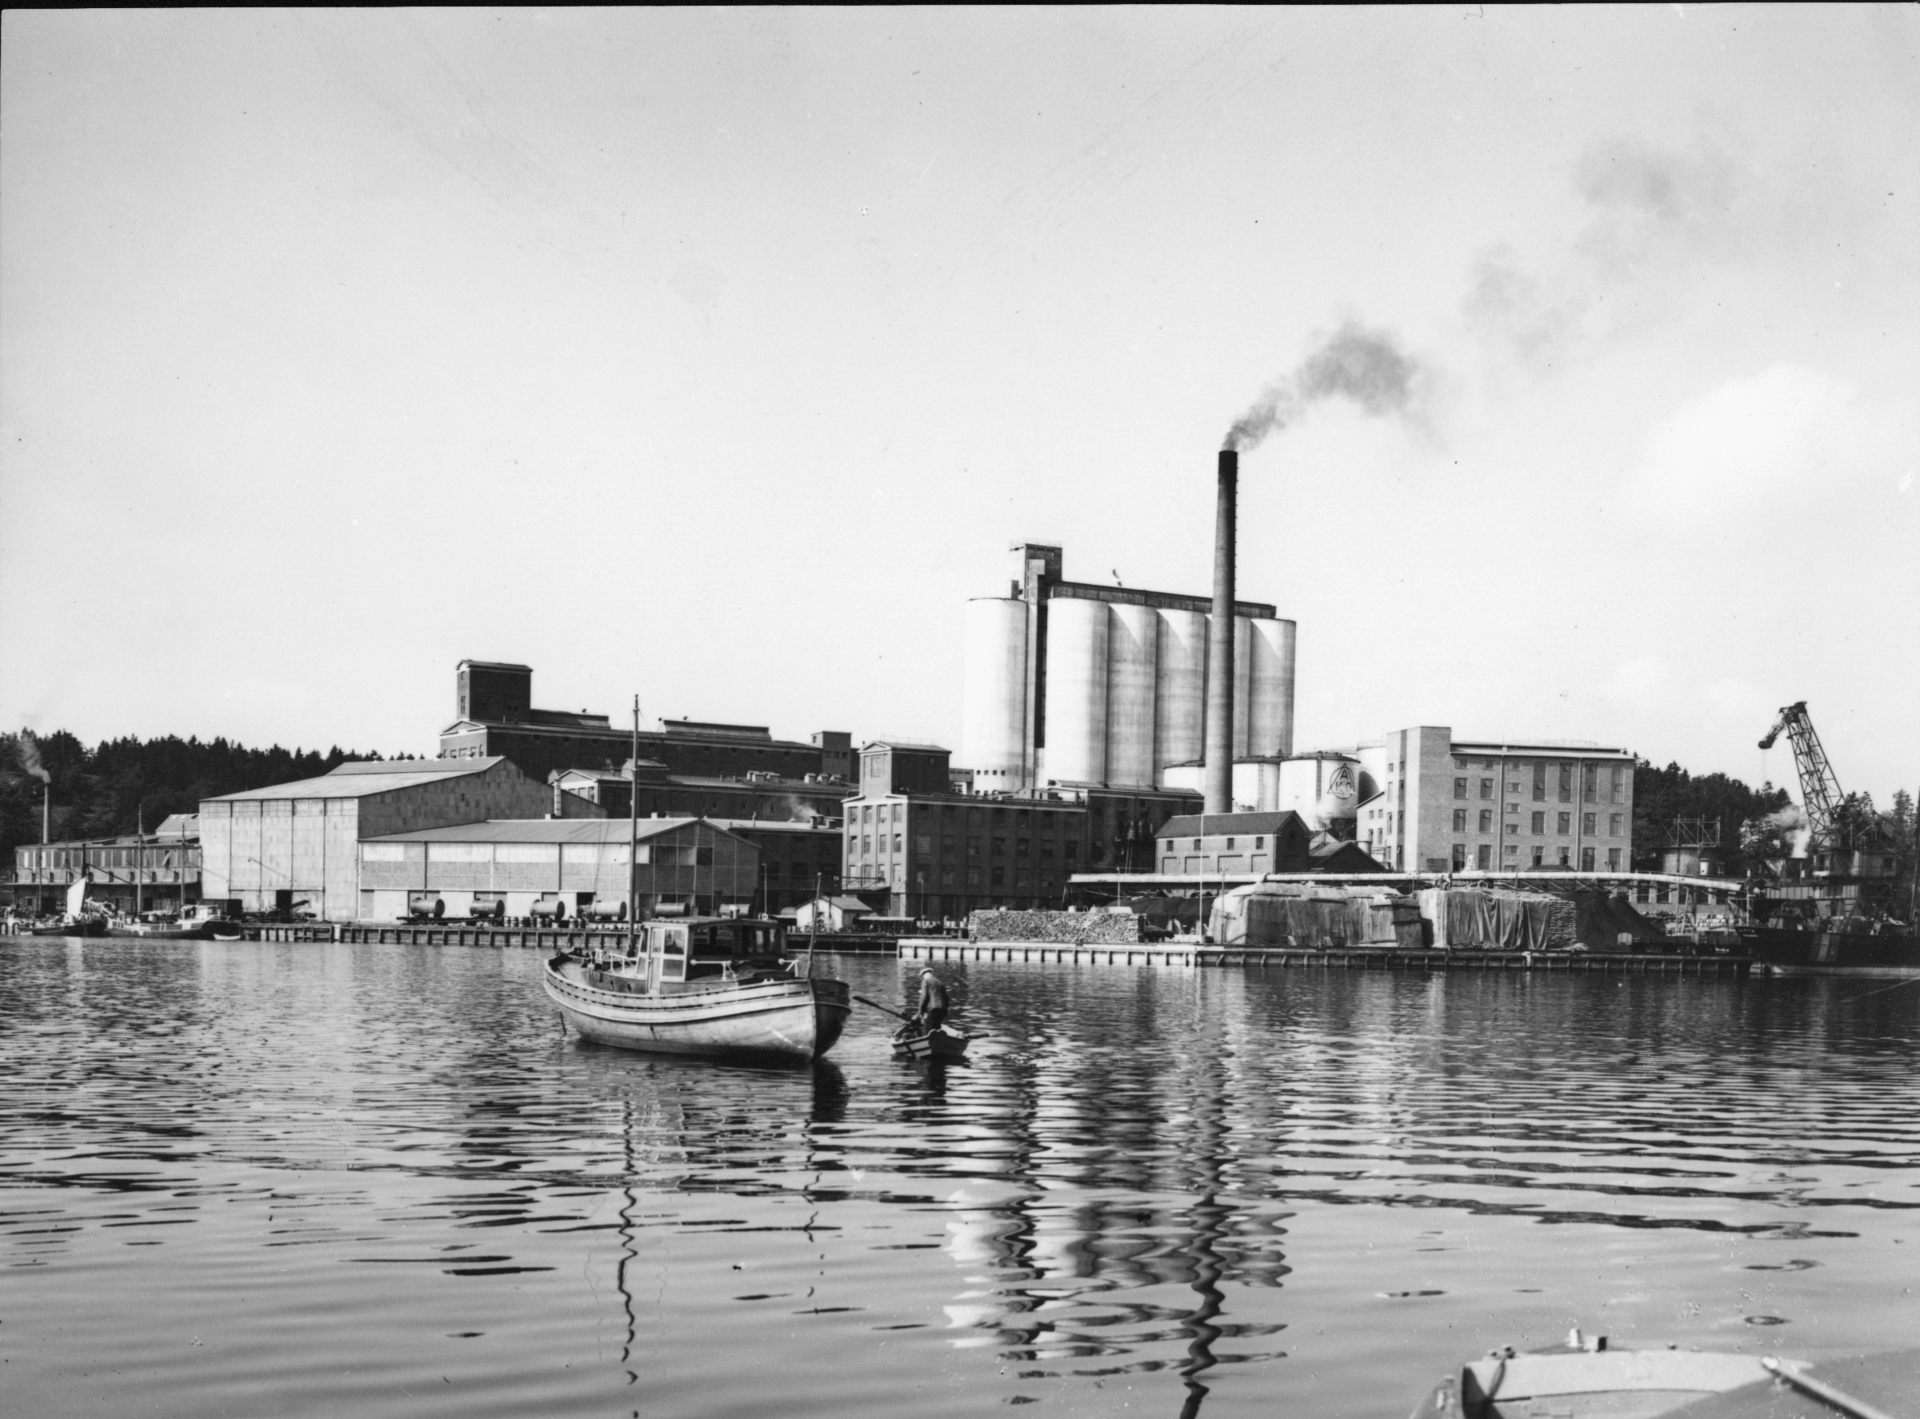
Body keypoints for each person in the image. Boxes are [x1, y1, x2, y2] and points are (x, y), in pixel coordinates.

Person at [915, 965, 949, 1034]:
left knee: (927, 1031)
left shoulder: (926, 981)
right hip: (943, 1010)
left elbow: (923, 997)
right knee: (936, 1028)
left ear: (923, 976)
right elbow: (947, 999)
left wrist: (920, 1012)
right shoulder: (940, 982)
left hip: (933, 1009)